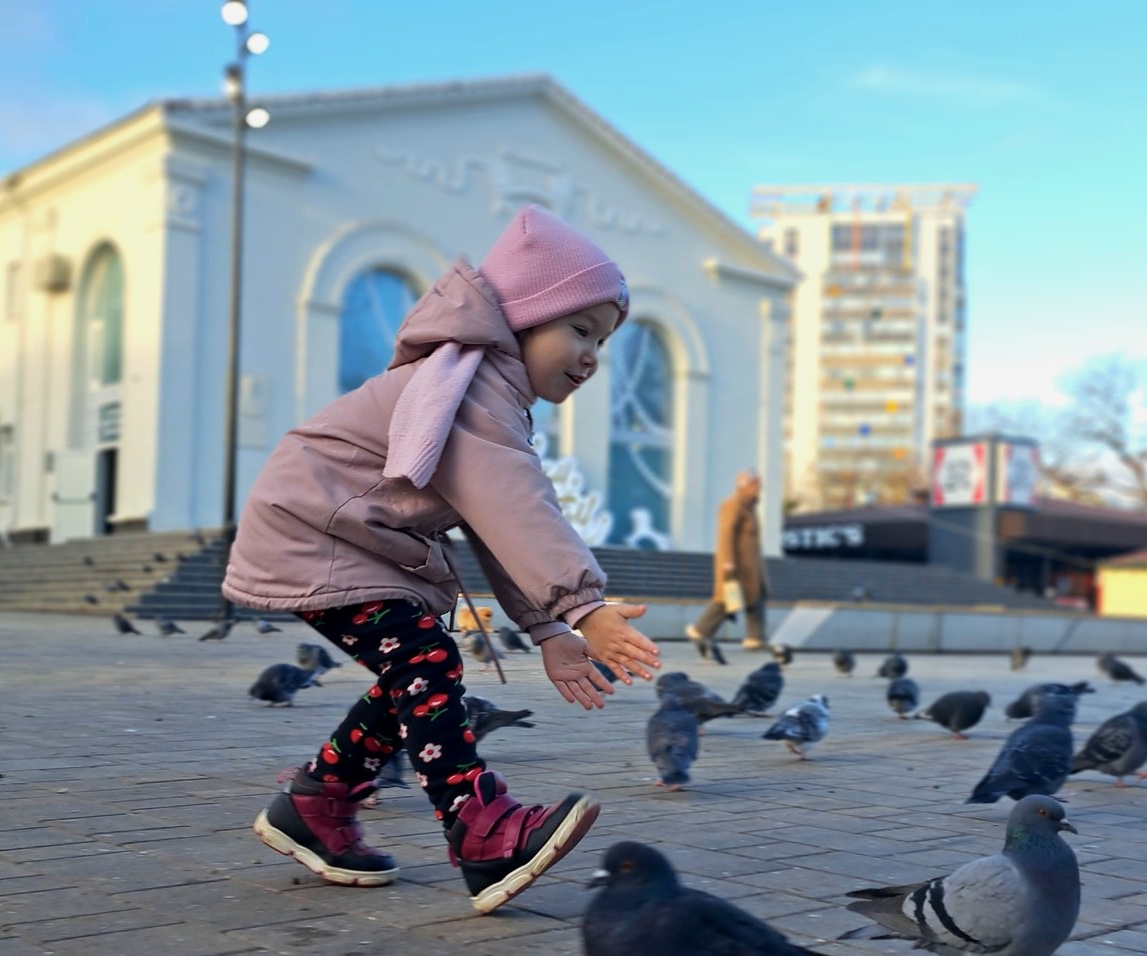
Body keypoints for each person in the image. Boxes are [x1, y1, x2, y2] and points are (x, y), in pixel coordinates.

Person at [223, 206, 662, 914]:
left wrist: (550, 628)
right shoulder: (474, 387)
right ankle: (480, 828)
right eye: (580, 330)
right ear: (523, 316)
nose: (591, 356)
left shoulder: (483, 390)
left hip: (346, 535)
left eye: (603, 341)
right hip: (315, 532)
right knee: (424, 660)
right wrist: (583, 606)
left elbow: (495, 520)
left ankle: (318, 801)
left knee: (415, 668)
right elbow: (517, 507)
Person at [688, 469, 769, 651]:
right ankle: (700, 630)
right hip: (736, 565)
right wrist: (728, 563)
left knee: (755, 597)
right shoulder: (732, 505)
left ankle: (755, 637)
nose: (759, 489)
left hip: (751, 566)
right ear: (747, 485)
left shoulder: (750, 508)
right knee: (726, 600)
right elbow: (725, 536)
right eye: (756, 485)